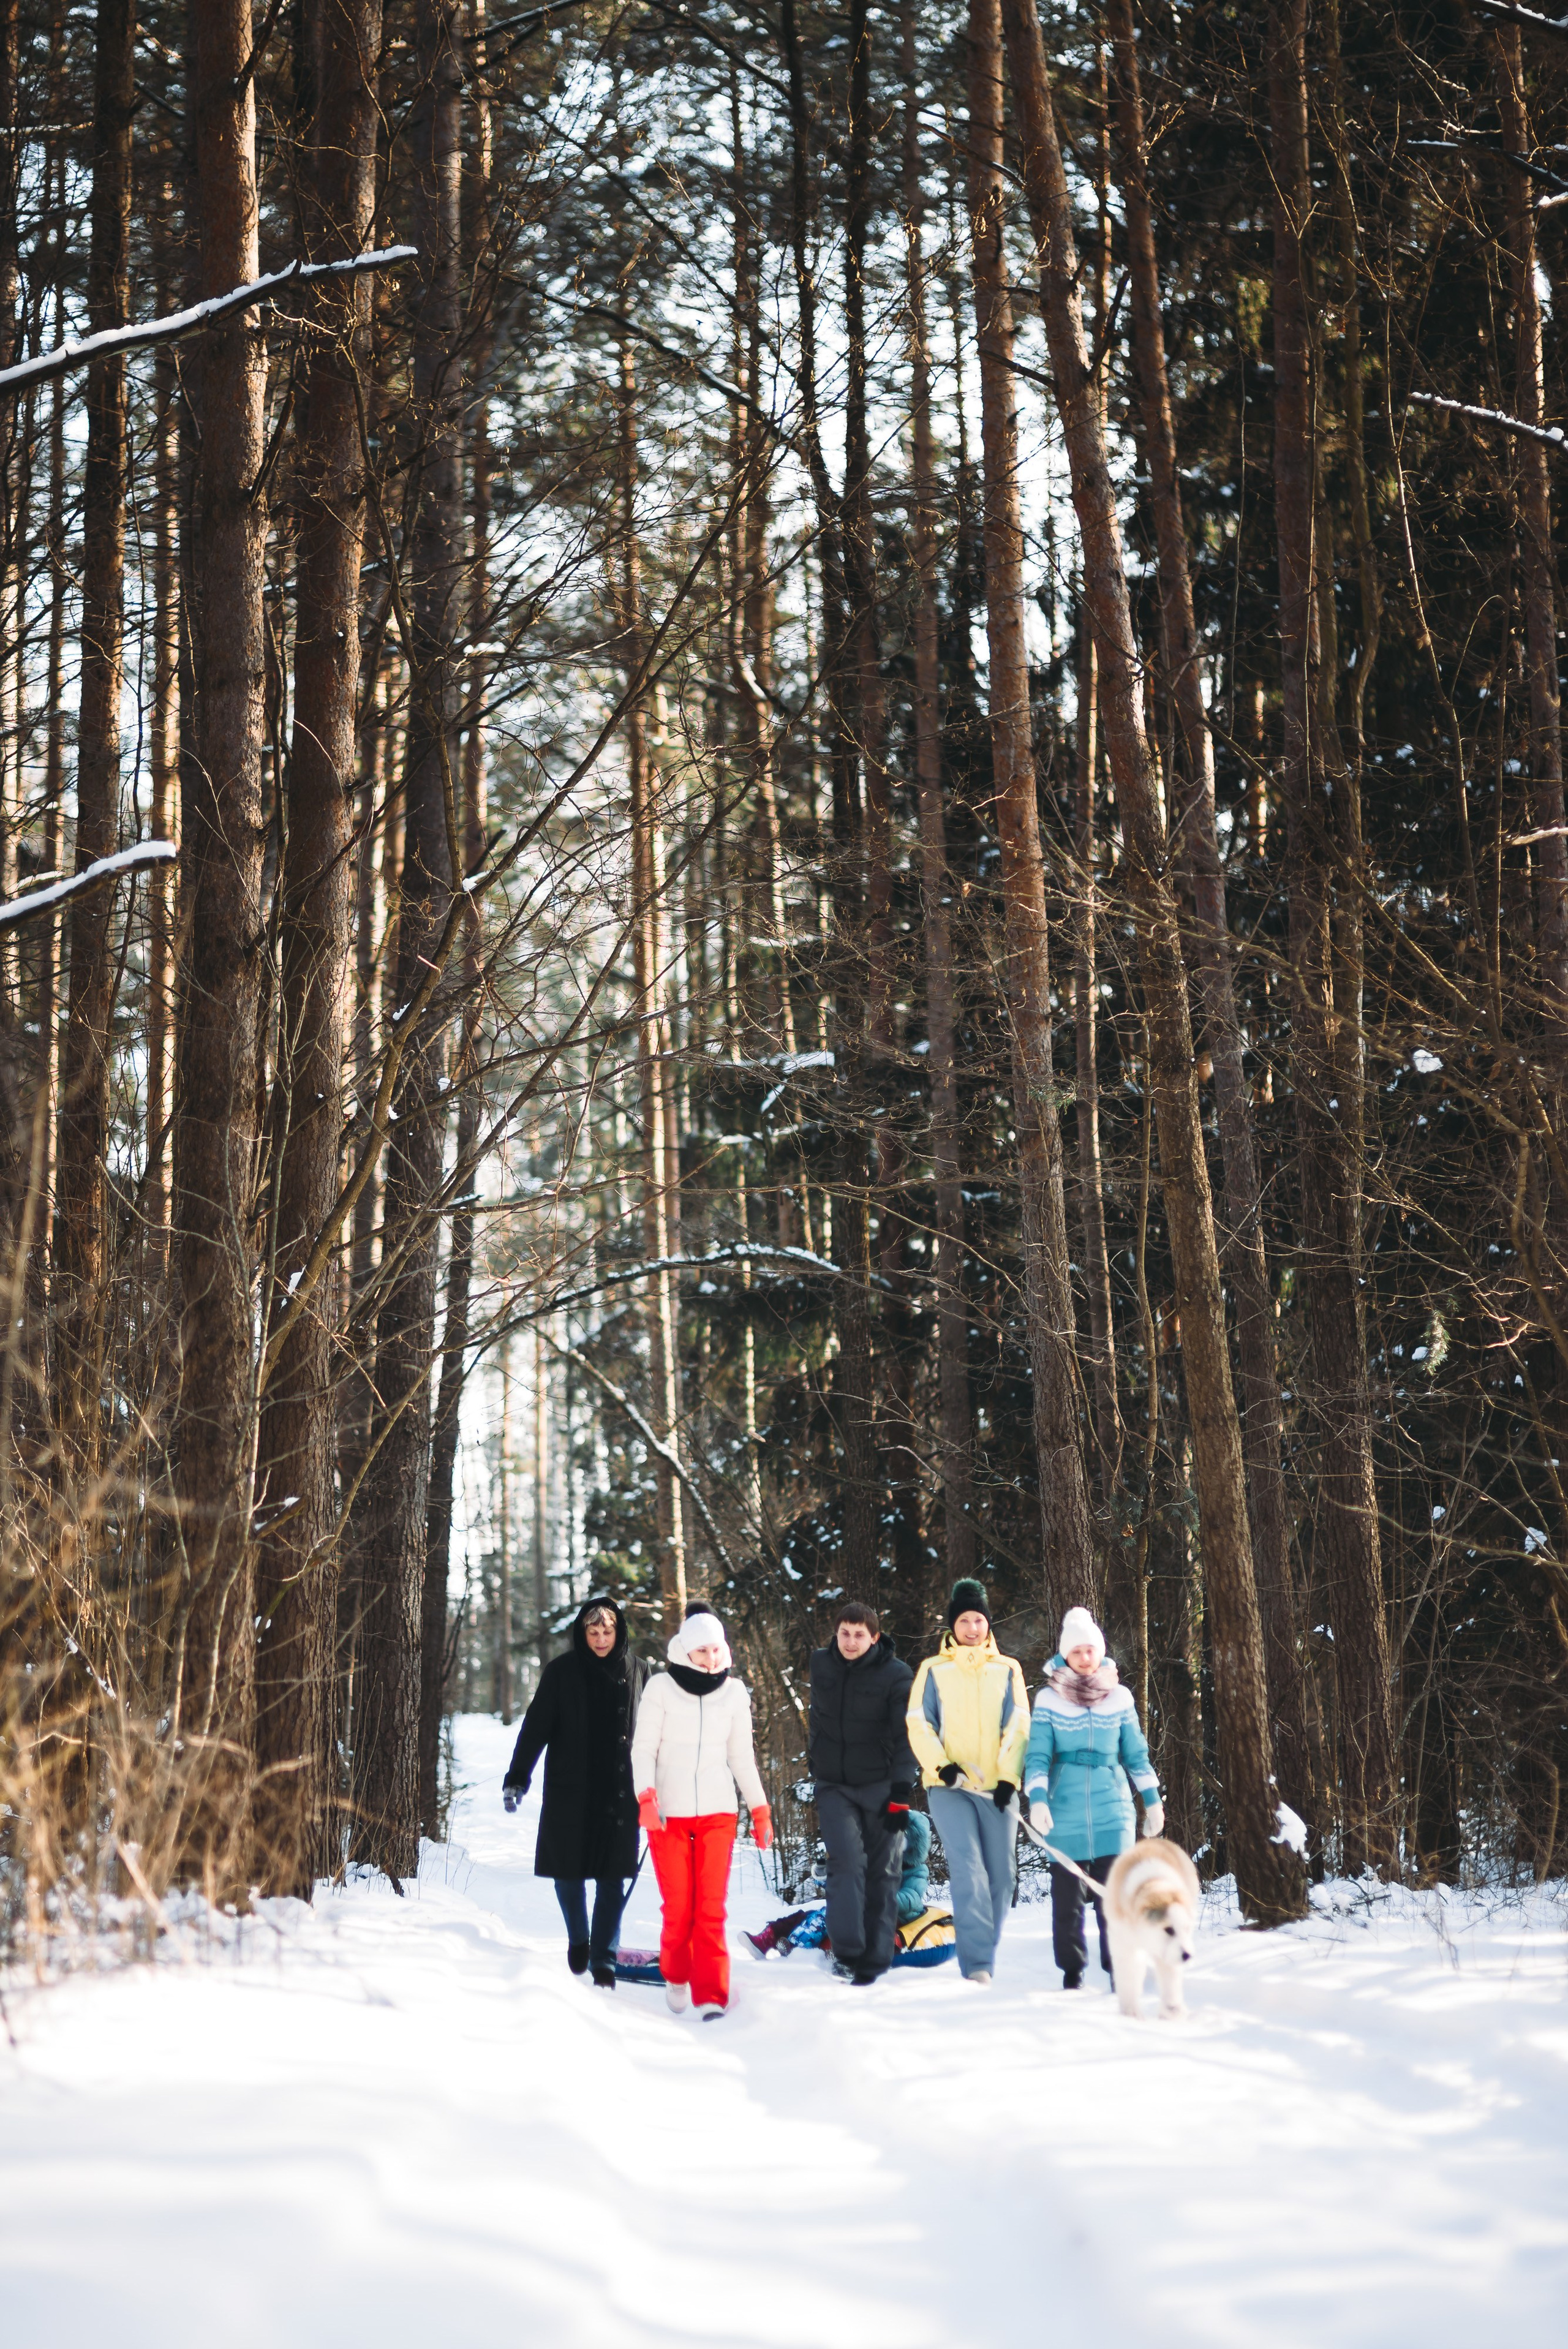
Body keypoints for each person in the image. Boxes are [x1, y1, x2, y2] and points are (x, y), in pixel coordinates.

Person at [630, 1601, 772, 2019]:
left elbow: (742, 1758)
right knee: (679, 1908)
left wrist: (760, 1808)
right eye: (703, 1650)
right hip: (666, 1815)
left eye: (717, 1649)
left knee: (710, 1908)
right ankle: (676, 1973)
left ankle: (712, 1994)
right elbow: (643, 1749)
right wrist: (646, 1796)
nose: (712, 1657)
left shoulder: (734, 1693)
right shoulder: (660, 1688)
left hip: (717, 1813)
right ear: (685, 1649)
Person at [502, 1596, 648, 1987]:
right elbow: (536, 1728)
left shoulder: (640, 1671)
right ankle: (579, 1938)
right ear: (582, 1633)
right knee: (567, 1876)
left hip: (620, 1790)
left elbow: (656, 1735)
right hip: (572, 1789)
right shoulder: (561, 1671)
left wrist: (661, 1786)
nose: (601, 1639)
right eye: (594, 1631)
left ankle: (605, 1960)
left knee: (612, 1878)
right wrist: (518, 1776)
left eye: (608, 1631)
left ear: (620, 1632)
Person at [1022, 1605, 1165, 1991]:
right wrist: (1037, 1799)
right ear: (1065, 1655)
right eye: (1077, 1652)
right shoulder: (1048, 1700)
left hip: (1113, 1807)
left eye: (1091, 1650)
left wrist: (1151, 1800)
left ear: (1100, 1651)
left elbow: (1136, 1755)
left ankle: (1121, 1969)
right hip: (1063, 1808)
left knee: (1114, 1896)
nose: (1085, 1658)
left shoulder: (1119, 1697)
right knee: (1067, 1901)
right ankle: (1072, 1971)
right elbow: (1036, 1755)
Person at [906, 1577, 1030, 1984]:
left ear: (988, 1623)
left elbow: (1018, 1725)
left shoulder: (1008, 1669)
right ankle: (978, 1965)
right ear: (952, 1625)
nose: (972, 1628)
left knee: (1002, 1875)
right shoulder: (933, 1669)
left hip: (997, 1789)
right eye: (964, 1620)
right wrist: (942, 1767)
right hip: (950, 1787)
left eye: (979, 1619)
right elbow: (919, 1723)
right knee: (969, 1869)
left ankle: (980, 1948)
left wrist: (1009, 1778)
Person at [807, 1598, 917, 1984]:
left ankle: (878, 1951)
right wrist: (814, 1760)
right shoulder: (821, 1664)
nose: (850, 1642)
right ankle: (847, 1951)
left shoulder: (897, 1674)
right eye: (844, 1633)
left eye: (859, 1635)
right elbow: (816, 1714)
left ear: (874, 1638)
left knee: (883, 1870)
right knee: (846, 1862)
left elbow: (907, 1736)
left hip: (881, 1785)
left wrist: (902, 1791)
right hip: (835, 1784)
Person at [746, 1809, 933, 1959]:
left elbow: (912, 1899)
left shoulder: (916, 1871)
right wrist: (826, 1877)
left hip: (894, 1917)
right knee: (813, 1914)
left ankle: (820, 1951)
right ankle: (771, 1939)